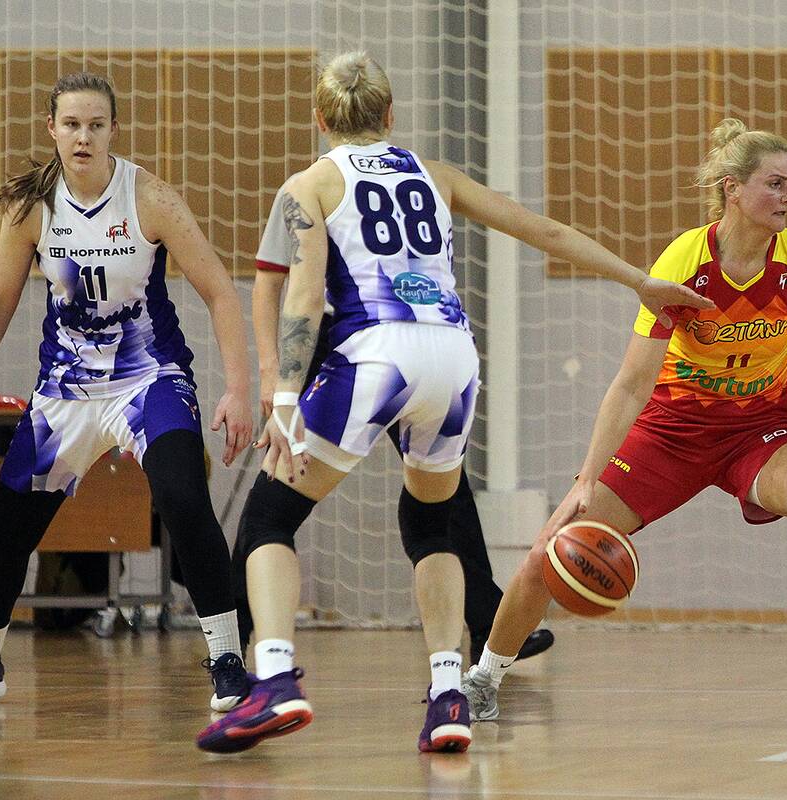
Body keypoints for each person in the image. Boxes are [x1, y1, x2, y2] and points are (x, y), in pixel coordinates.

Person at [195, 51, 713, 755]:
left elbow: (305, 294)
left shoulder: (308, 184)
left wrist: (285, 393)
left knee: (269, 519)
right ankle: (448, 693)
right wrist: (638, 281)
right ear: (391, 114)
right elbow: (542, 230)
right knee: (431, 525)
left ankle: (276, 679)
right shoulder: (434, 175)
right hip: (454, 357)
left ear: (319, 119)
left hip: (374, 354)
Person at [460, 118, 787, 731]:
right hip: (672, 431)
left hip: (757, 431)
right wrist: (587, 477)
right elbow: (632, 384)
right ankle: (482, 680)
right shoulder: (683, 263)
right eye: (775, 184)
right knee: (552, 547)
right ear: (732, 189)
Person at [0, 72, 254, 712]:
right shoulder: (32, 207)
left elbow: (220, 291)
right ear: (52, 130)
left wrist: (238, 389)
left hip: (147, 380)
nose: (83, 137)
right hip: (65, 391)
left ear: (114, 130)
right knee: (8, 524)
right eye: (71, 125)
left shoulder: (150, 198)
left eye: (95, 125)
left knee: (182, 495)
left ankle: (228, 660)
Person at [229, 189, 557, 664]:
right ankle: (236, 634)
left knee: (442, 491)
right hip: (334, 339)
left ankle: (487, 620)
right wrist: (274, 377)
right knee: (275, 494)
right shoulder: (314, 185)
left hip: (392, 338)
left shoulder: (410, 178)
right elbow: (274, 284)